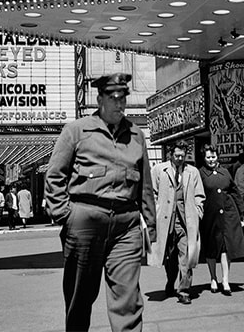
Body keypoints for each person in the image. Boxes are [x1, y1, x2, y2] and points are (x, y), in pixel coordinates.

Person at [44, 73, 157, 332]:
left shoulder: (136, 135)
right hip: (85, 223)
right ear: (100, 99)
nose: (120, 104)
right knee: (79, 297)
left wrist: (149, 226)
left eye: (123, 98)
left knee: (128, 299)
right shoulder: (77, 131)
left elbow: (145, 185)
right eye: (113, 98)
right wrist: (66, 215)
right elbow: (55, 174)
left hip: (126, 227)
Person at [149, 142, 205, 305]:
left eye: (182, 156)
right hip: (166, 221)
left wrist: (197, 212)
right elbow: (151, 192)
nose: (180, 159)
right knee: (170, 256)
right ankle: (170, 280)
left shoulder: (192, 172)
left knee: (186, 255)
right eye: (177, 156)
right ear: (170, 155)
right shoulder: (159, 170)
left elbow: (199, 195)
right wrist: (157, 210)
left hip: (186, 220)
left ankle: (184, 290)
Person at [198, 146, 244, 296]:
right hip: (209, 216)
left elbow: (234, 191)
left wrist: (241, 211)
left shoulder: (225, 172)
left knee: (226, 247)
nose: (211, 160)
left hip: (227, 214)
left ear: (217, 157)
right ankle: (213, 278)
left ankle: (225, 280)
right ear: (204, 158)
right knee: (212, 248)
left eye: (213, 157)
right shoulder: (200, 174)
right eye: (208, 157)